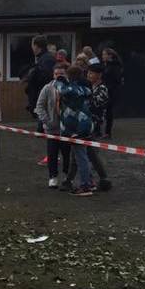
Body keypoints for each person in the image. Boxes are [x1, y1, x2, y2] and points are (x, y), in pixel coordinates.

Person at [57, 64, 97, 196]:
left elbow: (61, 89)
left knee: (81, 157)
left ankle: (85, 186)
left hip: (77, 128)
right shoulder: (85, 89)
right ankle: (90, 181)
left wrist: (60, 80)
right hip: (84, 125)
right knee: (81, 155)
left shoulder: (71, 89)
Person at [35, 62, 70, 188]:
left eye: (61, 74)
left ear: (66, 74)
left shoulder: (71, 88)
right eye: (56, 74)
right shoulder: (47, 88)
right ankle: (53, 177)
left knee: (67, 153)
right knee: (52, 153)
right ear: (53, 75)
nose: (58, 76)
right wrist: (47, 121)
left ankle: (67, 176)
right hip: (52, 128)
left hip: (67, 128)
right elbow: (39, 106)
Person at [24, 36, 57, 166]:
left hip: (48, 100)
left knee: (50, 129)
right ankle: (51, 155)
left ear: (37, 46)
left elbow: (45, 78)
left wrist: (33, 76)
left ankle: (52, 156)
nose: (32, 48)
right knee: (46, 129)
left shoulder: (47, 59)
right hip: (42, 98)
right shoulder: (42, 59)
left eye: (33, 45)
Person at [101, 48, 124, 138]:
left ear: (110, 55)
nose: (102, 56)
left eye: (104, 54)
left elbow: (117, 79)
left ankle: (108, 132)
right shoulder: (106, 65)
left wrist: (109, 87)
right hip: (105, 90)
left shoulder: (115, 66)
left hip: (111, 91)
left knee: (109, 111)